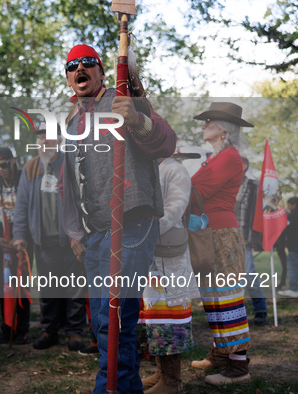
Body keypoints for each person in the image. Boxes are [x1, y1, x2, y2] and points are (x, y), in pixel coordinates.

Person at [61, 44, 177, 392]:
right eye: (72, 66)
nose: (79, 68)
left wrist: (138, 119)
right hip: (97, 232)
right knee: (102, 323)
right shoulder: (71, 123)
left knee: (116, 320)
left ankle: (107, 388)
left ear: (99, 71)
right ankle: (123, 387)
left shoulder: (122, 99)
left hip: (132, 222)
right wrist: (73, 231)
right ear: (68, 78)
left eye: (87, 63)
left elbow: (166, 143)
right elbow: (70, 183)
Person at [189, 102, 253, 385]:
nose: (203, 126)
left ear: (224, 129)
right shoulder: (215, 157)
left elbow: (196, 192)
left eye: (209, 122)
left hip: (223, 234)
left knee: (227, 298)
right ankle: (220, 354)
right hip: (209, 233)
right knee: (213, 297)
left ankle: (239, 368)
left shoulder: (229, 158)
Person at [14, 124, 87, 351]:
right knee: (48, 289)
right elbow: (22, 204)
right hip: (43, 241)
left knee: (74, 287)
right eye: (41, 138)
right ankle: (49, 331)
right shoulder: (31, 167)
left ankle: (74, 332)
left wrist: (81, 234)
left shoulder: (69, 163)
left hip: (70, 240)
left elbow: (82, 199)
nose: (45, 142)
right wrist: (19, 235)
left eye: (50, 138)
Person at [139, 155, 199, 393]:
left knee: (168, 316)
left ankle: (172, 382)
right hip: (153, 253)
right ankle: (161, 373)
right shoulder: (151, 165)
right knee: (155, 316)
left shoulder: (174, 169)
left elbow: (175, 208)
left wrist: (146, 229)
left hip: (169, 255)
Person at [0, 147, 31, 344]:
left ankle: (22, 329)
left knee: (22, 283)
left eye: (3, 165)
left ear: (13, 162)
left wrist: (22, 237)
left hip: (22, 238)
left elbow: (31, 209)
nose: (0, 170)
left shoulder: (24, 178)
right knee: (5, 285)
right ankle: (6, 328)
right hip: (2, 239)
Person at [235, 156, 267, 324]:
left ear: (245, 165)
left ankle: (260, 309)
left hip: (244, 237)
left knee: (248, 274)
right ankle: (233, 313)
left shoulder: (253, 186)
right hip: (224, 236)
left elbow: (259, 212)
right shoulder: (226, 184)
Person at [279, 197, 298, 298]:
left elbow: (287, 230)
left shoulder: (293, 216)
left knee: (293, 268)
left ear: (294, 204)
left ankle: (293, 288)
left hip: (294, 247)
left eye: (289, 205)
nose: (288, 207)